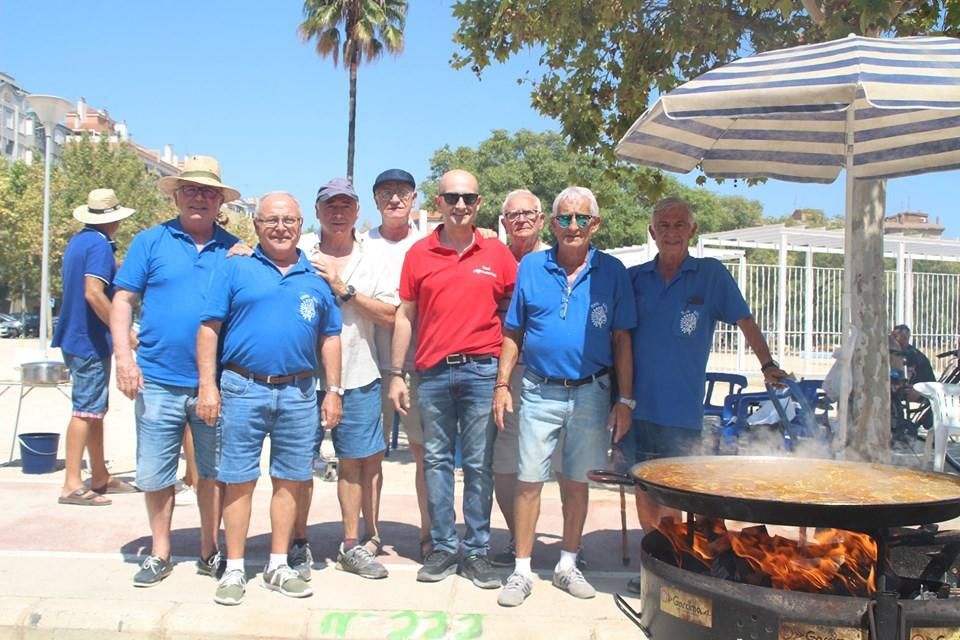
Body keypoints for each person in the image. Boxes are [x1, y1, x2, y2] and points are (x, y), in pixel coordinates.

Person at [622, 196, 785, 593]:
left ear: (692, 231)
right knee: (644, 488)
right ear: (652, 233)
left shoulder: (710, 274)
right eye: (664, 225)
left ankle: (677, 568)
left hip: (681, 409)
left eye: (679, 225)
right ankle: (655, 565)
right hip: (636, 406)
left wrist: (768, 365)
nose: (672, 232)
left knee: (675, 492)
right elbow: (617, 338)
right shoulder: (635, 279)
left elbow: (745, 321)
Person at [196, 192, 342, 606]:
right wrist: (208, 385)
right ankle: (236, 567)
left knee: (290, 481)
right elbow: (208, 329)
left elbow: (330, 337)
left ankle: (278, 564)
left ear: (301, 226)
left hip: (299, 392)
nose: (281, 227)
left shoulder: (315, 277)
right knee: (238, 480)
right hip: (242, 387)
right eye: (271, 220)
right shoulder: (236, 268)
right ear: (257, 225)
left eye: (289, 220)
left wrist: (333, 391)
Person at [494, 186, 636, 606]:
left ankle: (566, 564)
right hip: (538, 390)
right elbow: (513, 331)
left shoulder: (613, 272)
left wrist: (625, 401)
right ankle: (521, 571)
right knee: (528, 481)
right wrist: (502, 385)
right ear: (552, 223)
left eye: (582, 219)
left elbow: (623, 339)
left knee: (577, 482)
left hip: (593, 392)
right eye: (564, 219)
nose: (573, 226)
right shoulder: (533, 267)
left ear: (596, 224)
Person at [111, 156, 241, 587]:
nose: (199, 198)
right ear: (177, 195)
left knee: (213, 471)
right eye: (191, 190)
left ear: (220, 200)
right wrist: (124, 359)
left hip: (215, 384)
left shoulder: (235, 250)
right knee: (154, 471)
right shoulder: (150, 242)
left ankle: (210, 549)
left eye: (208, 191)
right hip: (157, 379)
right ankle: (160, 551)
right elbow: (123, 301)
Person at [388, 169, 517, 589]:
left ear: (479, 203)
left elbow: (515, 315)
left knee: (479, 464)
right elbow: (405, 315)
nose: (460, 205)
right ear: (438, 203)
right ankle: (443, 547)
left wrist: (502, 378)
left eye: (468, 198)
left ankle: (476, 551)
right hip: (432, 372)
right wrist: (396, 374)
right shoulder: (419, 253)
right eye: (452, 197)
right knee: (437, 463)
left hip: (482, 371)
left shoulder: (497, 254)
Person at [297, 178, 397, 581]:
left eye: (345, 206)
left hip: (360, 374)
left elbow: (392, 315)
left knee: (356, 463)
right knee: (298, 464)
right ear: (317, 211)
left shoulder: (375, 257)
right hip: (301, 377)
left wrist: (345, 290)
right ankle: (297, 543)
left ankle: (352, 543)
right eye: (330, 206)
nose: (338, 213)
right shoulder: (298, 249)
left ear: (357, 212)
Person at [360, 169, 431, 560]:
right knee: (370, 454)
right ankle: (370, 532)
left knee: (424, 452)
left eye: (402, 192)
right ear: (375, 200)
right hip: (370, 362)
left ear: (414, 199)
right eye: (386, 193)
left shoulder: (428, 245)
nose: (394, 200)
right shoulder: (360, 244)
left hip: (419, 361)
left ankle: (428, 532)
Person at [54, 188, 137, 507]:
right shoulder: (100, 246)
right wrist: (123, 331)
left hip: (77, 335)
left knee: (94, 409)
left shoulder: (79, 242)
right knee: (85, 410)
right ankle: (72, 482)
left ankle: (99, 474)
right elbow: (93, 292)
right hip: (87, 338)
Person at [489, 189, 550, 567]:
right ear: (504, 222)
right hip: (505, 374)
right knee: (505, 463)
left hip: (551, 377)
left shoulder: (558, 258)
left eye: (529, 213)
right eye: (513, 215)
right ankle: (517, 538)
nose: (522, 220)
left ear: (542, 219)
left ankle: (567, 546)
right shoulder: (495, 259)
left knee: (560, 468)